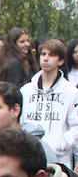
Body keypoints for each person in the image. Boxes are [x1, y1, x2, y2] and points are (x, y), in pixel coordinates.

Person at [20, 38, 78, 169]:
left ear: (61, 60)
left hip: (59, 159)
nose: (45, 59)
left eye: (51, 55)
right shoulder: (26, 90)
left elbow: (76, 126)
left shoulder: (71, 92)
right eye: (43, 54)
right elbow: (20, 122)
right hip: (28, 156)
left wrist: (62, 145)